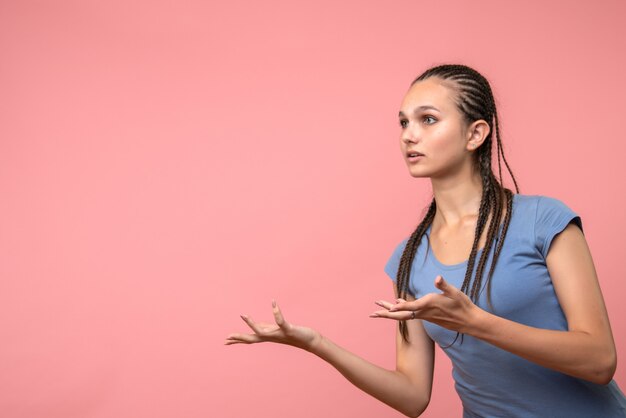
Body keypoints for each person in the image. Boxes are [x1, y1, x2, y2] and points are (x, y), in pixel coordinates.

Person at [224, 64, 626, 417]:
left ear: (475, 134)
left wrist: (478, 324)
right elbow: (413, 396)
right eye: (403, 122)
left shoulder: (544, 220)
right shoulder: (410, 258)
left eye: (428, 120)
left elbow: (599, 360)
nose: (408, 136)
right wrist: (317, 344)